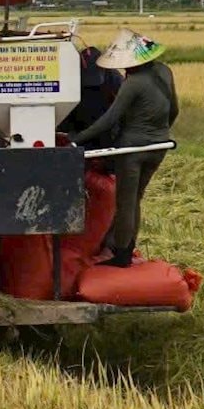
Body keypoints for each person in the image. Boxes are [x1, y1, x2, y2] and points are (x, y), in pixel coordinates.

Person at [71, 29, 176, 268]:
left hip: (132, 150)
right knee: (137, 198)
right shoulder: (164, 71)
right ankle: (128, 247)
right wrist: (160, 133)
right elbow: (174, 110)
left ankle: (121, 255)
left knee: (126, 202)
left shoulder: (133, 83)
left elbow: (109, 120)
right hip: (160, 145)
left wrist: (78, 139)